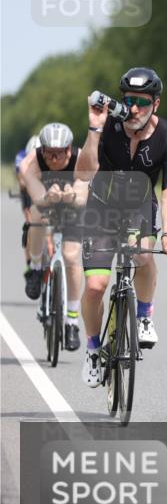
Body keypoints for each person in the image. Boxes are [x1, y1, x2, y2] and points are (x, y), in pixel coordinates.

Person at [75, 67, 167, 388]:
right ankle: (93, 350)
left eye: (142, 102)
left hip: (139, 207)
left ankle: (144, 316)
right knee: (95, 287)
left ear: (156, 104)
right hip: (101, 208)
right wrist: (94, 129)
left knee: (145, 257)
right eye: (128, 100)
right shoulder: (108, 126)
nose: (133, 108)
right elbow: (84, 173)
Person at [19, 123, 87, 350]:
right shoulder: (32, 161)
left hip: (73, 209)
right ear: (43, 150)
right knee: (36, 216)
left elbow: (82, 195)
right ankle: (37, 268)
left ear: (69, 149)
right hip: (46, 203)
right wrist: (49, 196)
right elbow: (36, 196)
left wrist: (72, 195)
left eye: (60, 153)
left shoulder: (81, 160)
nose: (55, 159)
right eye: (50, 153)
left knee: (71, 257)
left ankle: (71, 321)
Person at [16, 135, 42, 267]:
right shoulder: (21, 156)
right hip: (27, 191)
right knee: (30, 224)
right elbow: (21, 181)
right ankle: (29, 266)